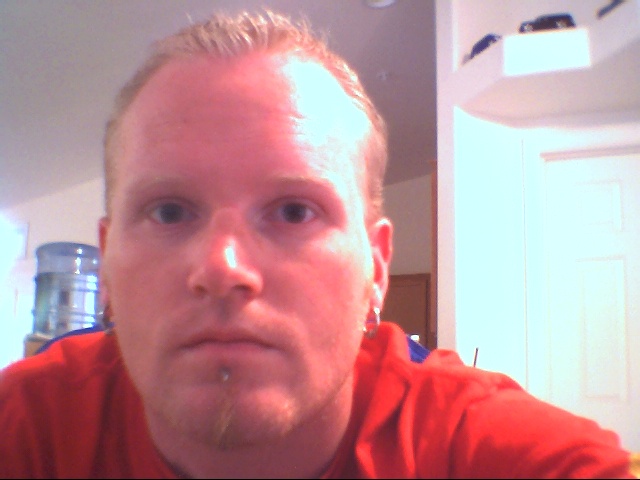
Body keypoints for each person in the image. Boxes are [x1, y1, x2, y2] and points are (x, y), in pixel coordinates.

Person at [0, 9, 636, 479]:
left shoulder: (474, 447)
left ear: (376, 268)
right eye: (168, 212)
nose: (222, 267)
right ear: (107, 265)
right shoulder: (27, 428)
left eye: (294, 211)